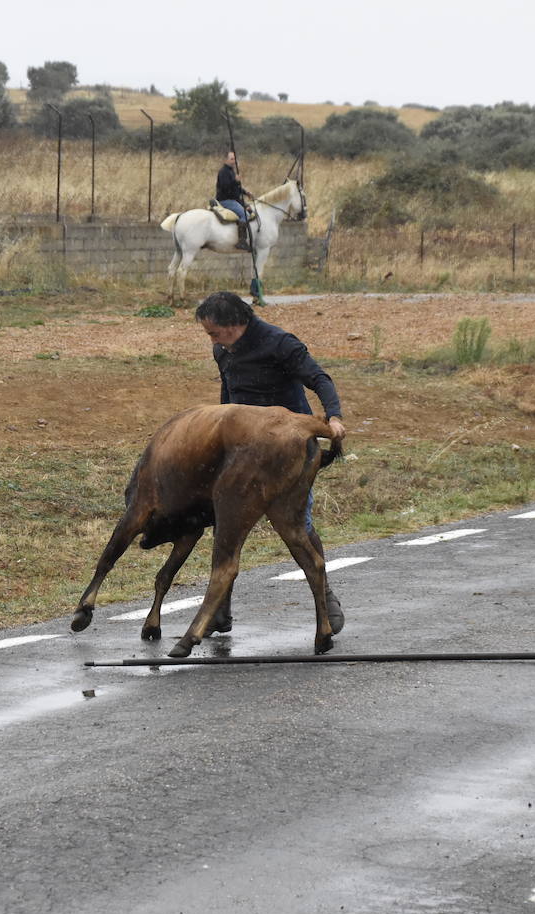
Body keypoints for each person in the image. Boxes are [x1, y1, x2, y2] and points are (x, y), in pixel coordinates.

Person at [195, 291, 347, 633]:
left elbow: (319, 379)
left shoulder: (280, 343)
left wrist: (334, 417)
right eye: (210, 335)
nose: (213, 341)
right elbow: (227, 400)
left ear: (236, 324)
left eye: (214, 333)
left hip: (288, 449)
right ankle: (221, 607)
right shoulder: (223, 350)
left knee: (296, 523)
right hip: (243, 449)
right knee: (226, 524)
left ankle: (326, 595)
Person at [215, 150, 253, 253]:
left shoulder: (231, 172)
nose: (234, 161)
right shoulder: (223, 172)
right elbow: (225, 187)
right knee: (245, 215)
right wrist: (235, 180)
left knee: (251, 211)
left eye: (235, 159)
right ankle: (241, 241)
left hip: (235, 200)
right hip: (226, 200)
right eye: (232, 159)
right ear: (226, 160)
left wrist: (246, 192)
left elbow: (236, 188)